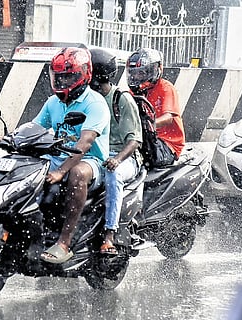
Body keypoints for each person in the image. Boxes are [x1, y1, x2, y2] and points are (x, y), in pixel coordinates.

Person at [34, 47, 110, 264]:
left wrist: (61, 171)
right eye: (59, 77)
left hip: (92, 161)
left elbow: (84, 143)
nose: (63, 83)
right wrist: (11, 138)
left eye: (69, 77)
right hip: (58, 157)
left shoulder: (94, 103)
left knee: (77, 174)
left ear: (84, 75)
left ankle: (64, 243)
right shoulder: (53, 102)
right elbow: (35, 127)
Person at [89, 48, 143, 255]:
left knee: (113, 175)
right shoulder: (87, 98)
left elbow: (134, 140)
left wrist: (117, 160)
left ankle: (109, 233)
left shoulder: (121, 99)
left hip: (124, 156)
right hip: (96, 154)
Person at [126, 48, 185, 165]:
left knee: (139, 156)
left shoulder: (166, 88)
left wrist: (149, 125)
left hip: (167, 143)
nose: (137, 77)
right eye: (135, 73)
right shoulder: (132, 93)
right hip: (143, 138)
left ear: (153, 70)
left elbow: (168, 118)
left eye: (141, 73)